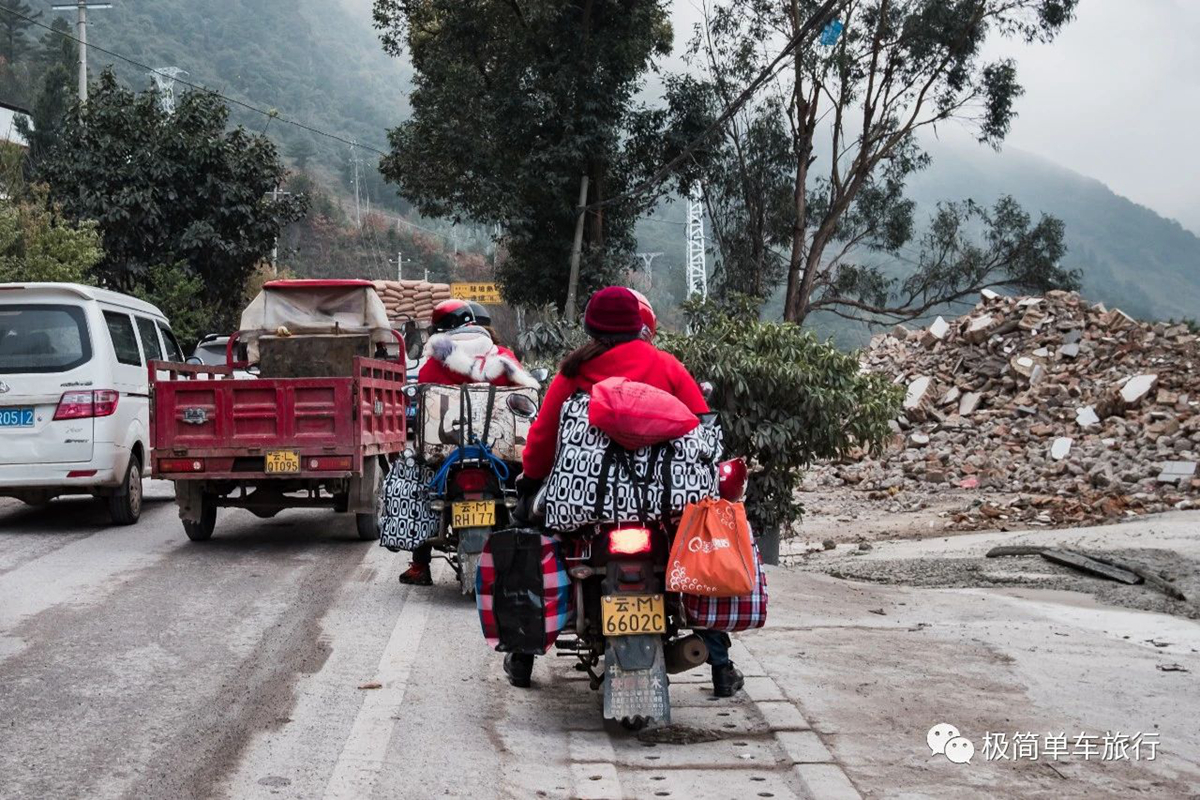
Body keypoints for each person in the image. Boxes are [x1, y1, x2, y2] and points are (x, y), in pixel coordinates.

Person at [507, 286, 744, 698]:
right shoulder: (666, 366)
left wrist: (529, 484)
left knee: (531, 536)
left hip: (588, 507)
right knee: (698, 563)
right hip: (662, 507)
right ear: (641, 327)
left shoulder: (574, 372)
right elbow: (704, 434)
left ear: (589, 327)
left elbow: (543, 440)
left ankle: (523, 655)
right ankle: (721, 667)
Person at [398, 299, 538, 586]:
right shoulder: (502, 356)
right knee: (525, 489)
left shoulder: (433, 362)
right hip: (499, 453)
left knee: (420, 485)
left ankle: (419, 564)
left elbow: (421, 396)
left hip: (447, 452)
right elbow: (524, 399)